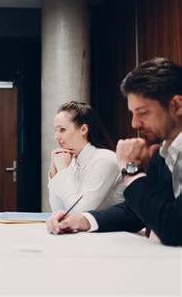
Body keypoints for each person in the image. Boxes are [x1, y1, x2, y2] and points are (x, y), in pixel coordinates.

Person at [47, 57, 182, 246]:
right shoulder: (163, 153)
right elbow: (136, 212)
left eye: (143, 113)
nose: (134, 123)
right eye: (132, 114)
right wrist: (82, 221)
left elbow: (173, 226)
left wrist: (131, 170)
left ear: (176, 106)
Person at [48, 101, 125, 212]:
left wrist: (63, 171)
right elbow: (58, 210)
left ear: (83, 129)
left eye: (62, 130)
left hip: (118, 229)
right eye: (55, 130)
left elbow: (79, 212)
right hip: (87, 229)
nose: (56, 137)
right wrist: (54, 172)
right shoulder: (72, 161)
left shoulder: (105, 160)